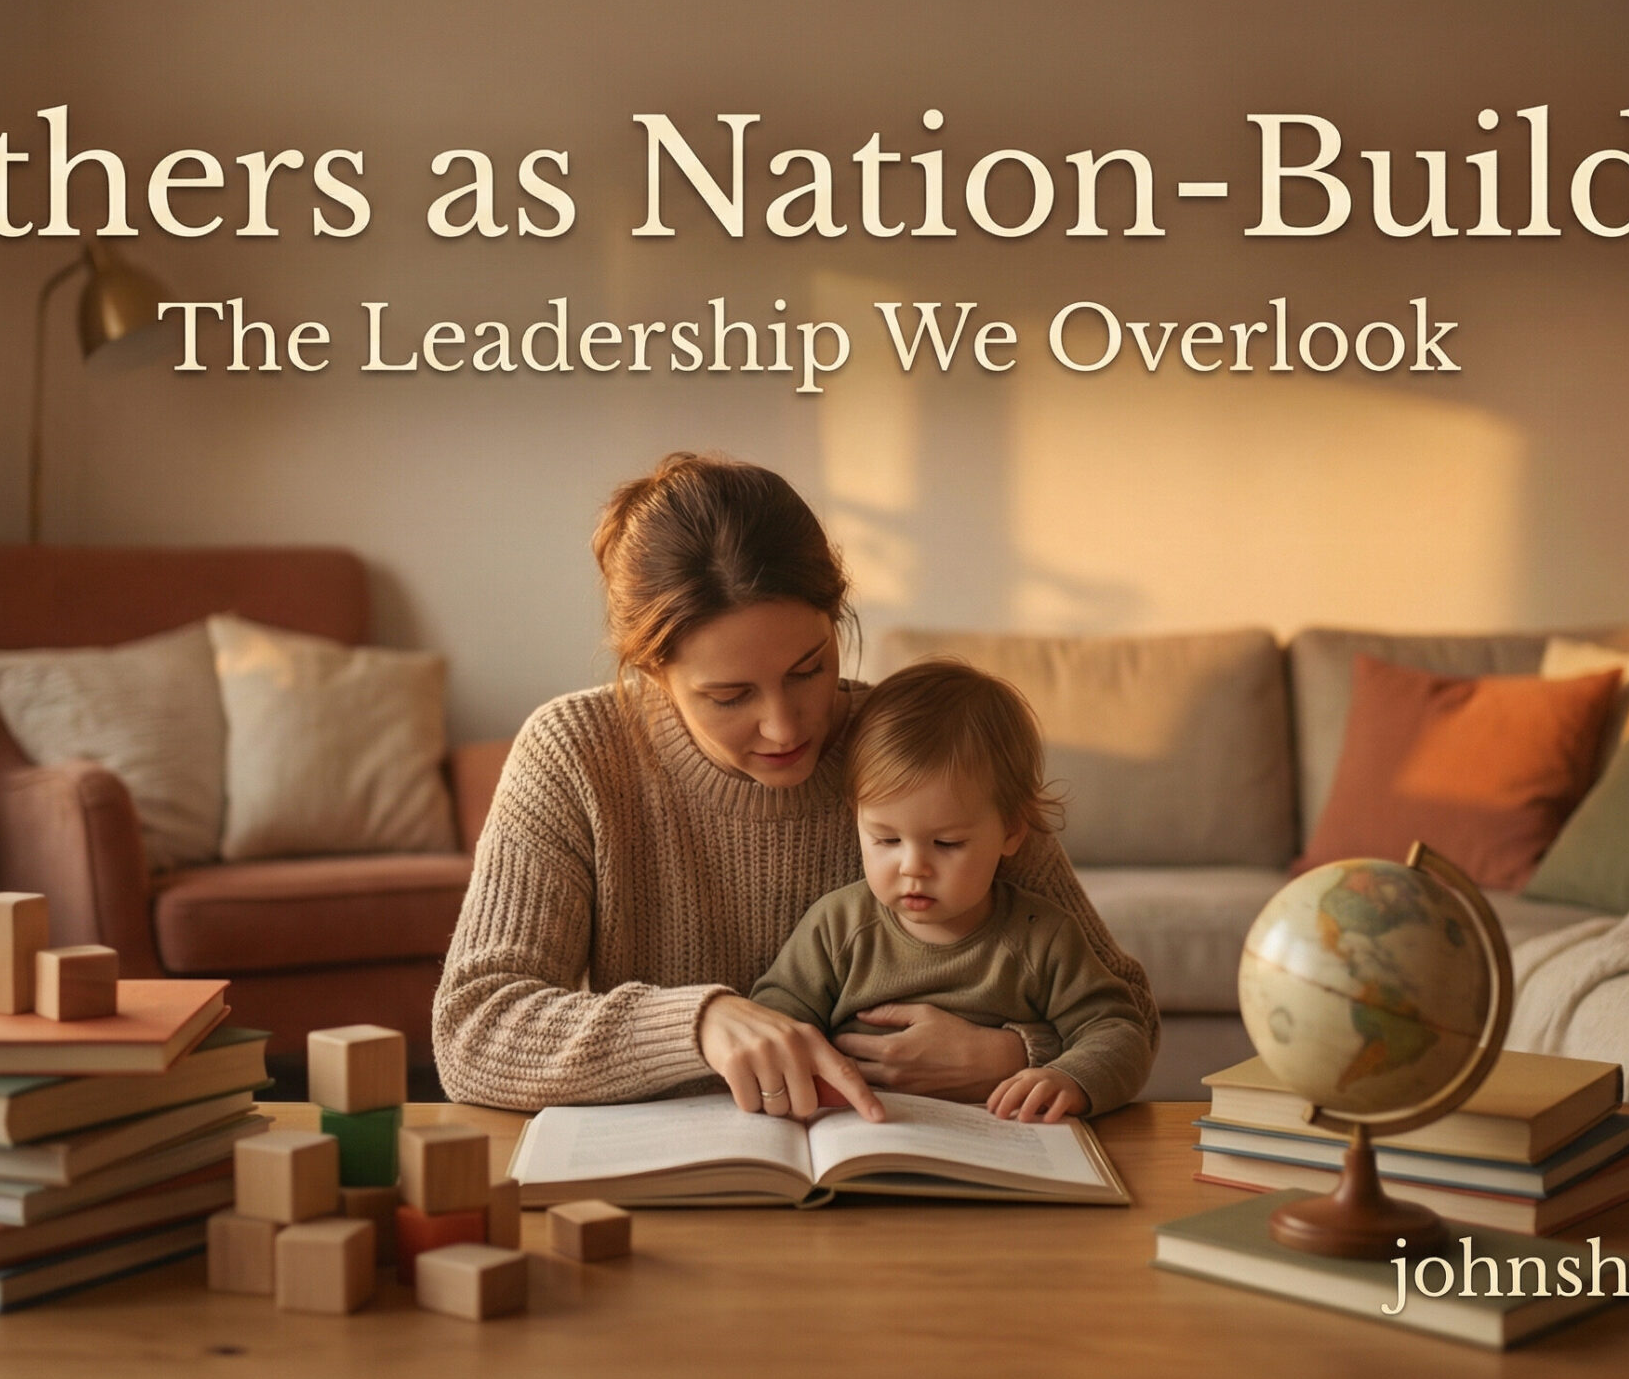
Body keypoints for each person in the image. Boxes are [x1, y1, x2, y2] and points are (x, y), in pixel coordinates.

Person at [432, 451, 1156, 1122]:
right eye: (730, 694)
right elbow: (474, 1027)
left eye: (809, 669)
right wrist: (699, 1021)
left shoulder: (923, 753)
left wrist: (1010, 1055)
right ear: (652, 672)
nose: (783, 726)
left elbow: (1127, 1012)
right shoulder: (575, 754)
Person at [750, 660, 1149, 1122]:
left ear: (1012, 831)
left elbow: (1119, 1031)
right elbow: (773, 1017)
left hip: (998, 1142)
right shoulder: (838, 925)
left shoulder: (1042, 938)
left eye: (947, 843)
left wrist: (1071, 1078)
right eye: (886, 839)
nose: (913, 867)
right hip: (862, 1133)